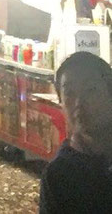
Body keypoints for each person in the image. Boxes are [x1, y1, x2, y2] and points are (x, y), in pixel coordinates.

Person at [39, 51, 112, 213]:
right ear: (61, 104)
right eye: (70, 93)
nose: (79, 102)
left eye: (91, 90)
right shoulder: (59, 176)